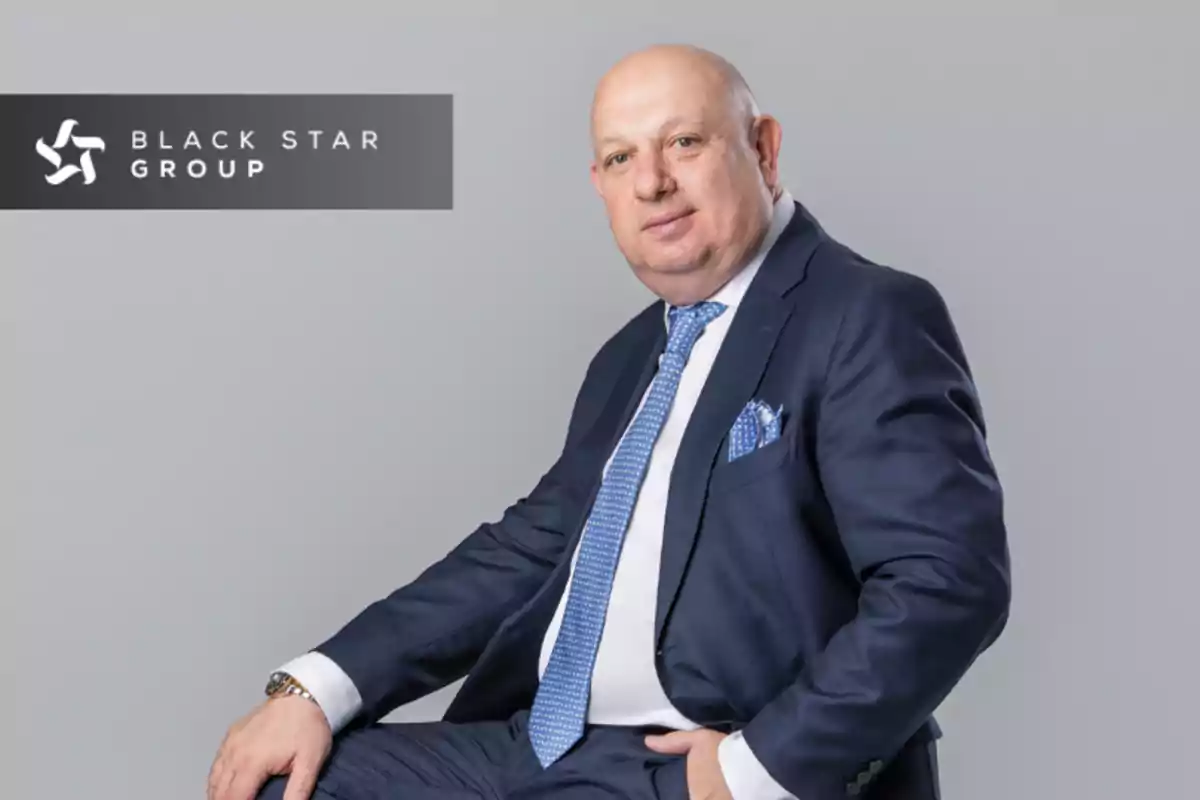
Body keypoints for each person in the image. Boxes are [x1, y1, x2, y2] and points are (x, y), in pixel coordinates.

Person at [208, 43, 1010, 800]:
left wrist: (756, 769)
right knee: (288, 783)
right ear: (600, 183)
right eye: (622, 158)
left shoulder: (864, 315)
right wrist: (313, 689)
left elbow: (947, 583)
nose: (651, 182)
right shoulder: (629, 357)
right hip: (549, 748)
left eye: (684, 142)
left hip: (702, 760)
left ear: (763, 150)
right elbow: (530, 548)